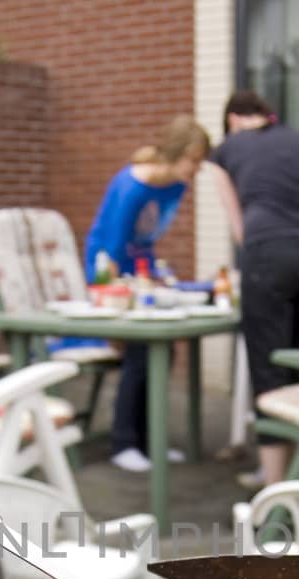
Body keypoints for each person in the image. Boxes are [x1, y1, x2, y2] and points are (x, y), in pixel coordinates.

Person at [209, 90, 299, 490]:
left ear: (234, 119)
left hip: (267, 254)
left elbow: (239, 228)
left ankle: (275, 488)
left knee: (268, 370)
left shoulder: (225, 151)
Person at [81, 117, 211, 473]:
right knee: (140, 355)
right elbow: (112, 245)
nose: (198, 170)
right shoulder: (131, 187)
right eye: (195, 161)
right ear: (176, 153)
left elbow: (145, 243)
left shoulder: (175, 187)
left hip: (140, 273)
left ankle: (150, 439)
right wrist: (113, 290)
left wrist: (154, 276)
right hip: (109, 274)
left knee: (161, 354)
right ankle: (124, 442)